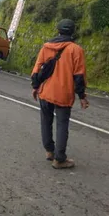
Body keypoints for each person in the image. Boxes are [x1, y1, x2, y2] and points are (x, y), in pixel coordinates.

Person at [30, 19, 89, 169]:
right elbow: (79, 76)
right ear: (72, 32)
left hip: (45, 91)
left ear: (58, 30)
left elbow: (37, 69)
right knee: (62, 125)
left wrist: (35, 87)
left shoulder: (46, 47)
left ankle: (50, 151)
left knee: (46, 121)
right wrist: (82, 96)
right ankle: (59, 159)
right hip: (63, 93)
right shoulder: (76, 50)